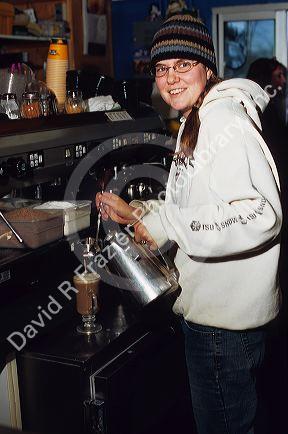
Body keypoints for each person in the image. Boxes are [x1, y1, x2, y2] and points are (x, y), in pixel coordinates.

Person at [96, 14, 282, 434]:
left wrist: (171, 227)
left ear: (207, 68)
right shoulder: (197, 118)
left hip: (222, 329)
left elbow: (260, 214)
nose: (171, 78)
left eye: (184, 65)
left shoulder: (222, 121)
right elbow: (200, 205)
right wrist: (142, 214)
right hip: (224, 323)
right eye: (163, 68)